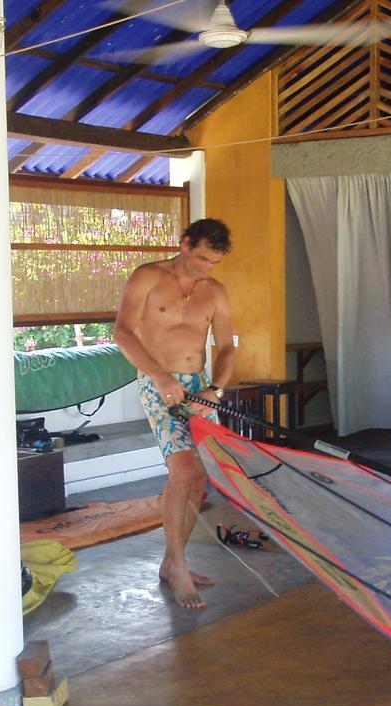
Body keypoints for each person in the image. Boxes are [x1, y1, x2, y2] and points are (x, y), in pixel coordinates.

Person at [114, 218, 235, 608]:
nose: (205, 268)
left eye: (212, 262)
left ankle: (171, 560)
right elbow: (122, 333)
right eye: (200, 258)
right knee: (183, 470)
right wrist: (161, 377)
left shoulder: (215, 291)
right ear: (184, 243)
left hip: (199, 388)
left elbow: (227, 347)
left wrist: (215, 390)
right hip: (157, 383)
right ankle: (180, 566)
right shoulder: (148, 277)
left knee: (200, 476)